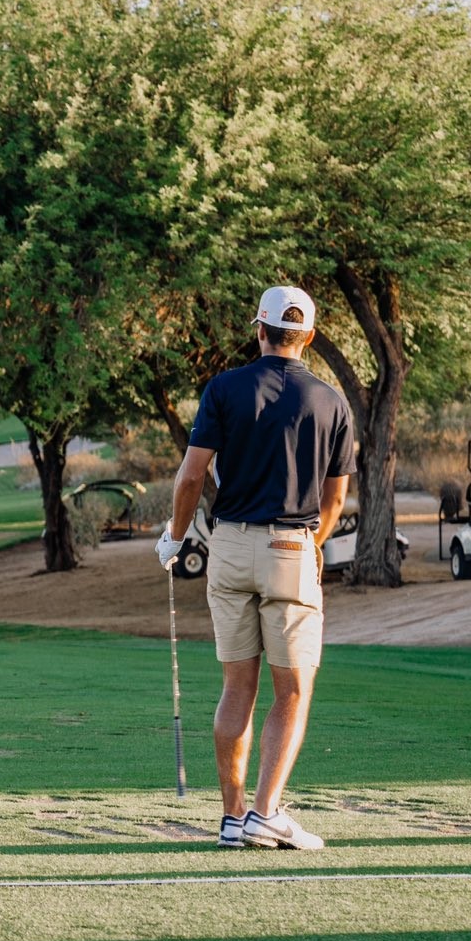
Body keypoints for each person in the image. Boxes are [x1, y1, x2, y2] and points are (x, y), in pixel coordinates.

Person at [158, 285, 352, 851]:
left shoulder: (223, 388)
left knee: (236, 685)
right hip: (291, 548)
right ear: (308, 338)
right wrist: (313, 544)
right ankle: (266, 813)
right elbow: (335, 501)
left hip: (229, 547)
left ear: (258, 329)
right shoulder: (331, 401)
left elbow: (192, 478)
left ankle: (234, 816)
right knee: (292, 690)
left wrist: (174, 539)